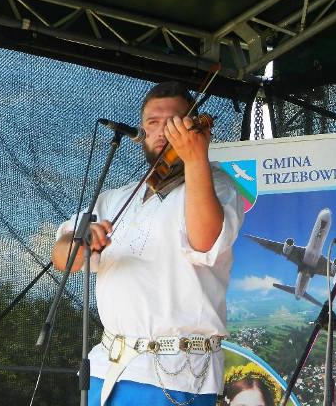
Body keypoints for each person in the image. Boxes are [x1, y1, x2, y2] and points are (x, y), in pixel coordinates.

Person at [52, 81, 245, 406]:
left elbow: (205, 242)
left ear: (192, 127)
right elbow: (61, 256)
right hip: (108, 368)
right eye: (153, 123)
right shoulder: (115, 198)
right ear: (141, 132)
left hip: (177, 374)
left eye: (173, 122)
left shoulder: (219, 187)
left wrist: (196, 159)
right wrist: (81, 241)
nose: (162, 131)